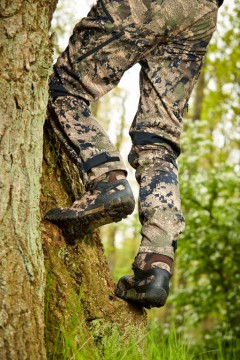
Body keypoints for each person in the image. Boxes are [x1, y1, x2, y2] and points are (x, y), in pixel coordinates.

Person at [45, 0, 224, 308]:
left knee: (65, 88)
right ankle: (156, 263)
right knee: (158, 141)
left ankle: (107, 180)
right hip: (202, 13)